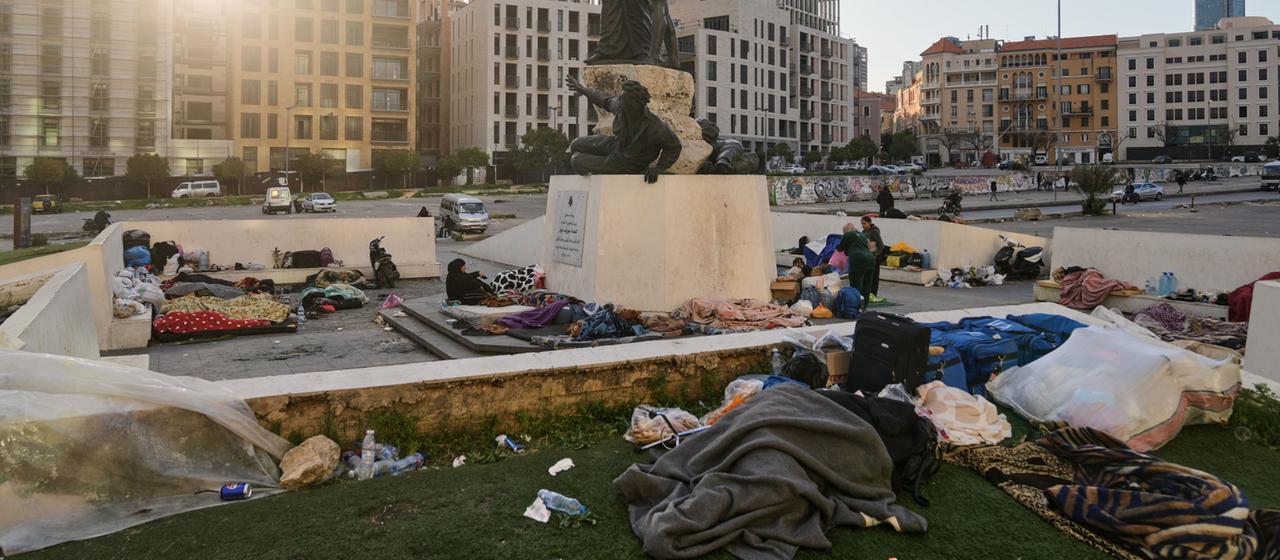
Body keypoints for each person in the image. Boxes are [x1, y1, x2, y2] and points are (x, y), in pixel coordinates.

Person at [566, 77, 681, 183]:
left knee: (576, 161)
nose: (619, 100)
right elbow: (604, 99)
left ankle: (602, 168)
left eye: (622, 100)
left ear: (634, 106)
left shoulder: (655, 126)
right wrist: (583, 90)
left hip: (629, 162)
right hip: (616, 145)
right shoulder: (621, 107)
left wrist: (658, 168)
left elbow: (674, 146)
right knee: (575, 144)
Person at [837, 223, 876, 311]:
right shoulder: (863, 235)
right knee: (867, 285)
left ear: (846, 231)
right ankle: (864, 307)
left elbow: (840, 248)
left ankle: (855, 307)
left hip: (858, 260)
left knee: (856, 286)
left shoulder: (848, 235)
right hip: (870, 260)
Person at [860, 217, 888, 304]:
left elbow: (880, 245)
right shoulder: (863, 232)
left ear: (869, 223)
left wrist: (875, 255)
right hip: (867, 257)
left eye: (864, 223)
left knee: (874, 277)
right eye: (862, 224)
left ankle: (873, 294)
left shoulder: (874, 231)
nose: (863, 225)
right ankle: (866, 293)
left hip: (874, 258)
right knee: (866, 277)